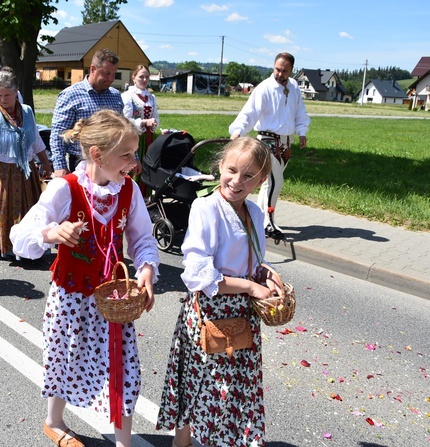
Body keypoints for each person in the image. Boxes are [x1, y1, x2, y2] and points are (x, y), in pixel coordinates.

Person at [10, 110, 160, 447]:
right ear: (97, 154)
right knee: (65, 358)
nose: (134, 163)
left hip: (113, 299)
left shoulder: (129, 191)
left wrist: (147, 268)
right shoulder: (66, 188)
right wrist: (52, 232)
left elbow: (142, 239)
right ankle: (54, 420)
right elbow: (20, 234)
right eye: (126, 155)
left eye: (134, 154)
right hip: (72, 295)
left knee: (123, 367)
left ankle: (124, 441)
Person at [156, 136, 276, 447]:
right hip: (212, 311)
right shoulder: (206, 209)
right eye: (232, 170)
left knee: (233, 389)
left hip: (243, 313)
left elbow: (252, 260)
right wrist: (250, 286)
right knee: (204, 386)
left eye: (249, 176)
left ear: (262, 179)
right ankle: (181, 442)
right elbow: (198, 274)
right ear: (220, 166)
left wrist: (266, 275)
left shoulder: (255, 213)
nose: (237, 181)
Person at [228, 52, 310, 240]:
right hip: (267, 141)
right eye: (277, 69)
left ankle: (258, 218)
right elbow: (249, 112)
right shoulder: (265, 88)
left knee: (267, 184)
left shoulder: (294, 87)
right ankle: (269, 222)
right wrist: (238, 130)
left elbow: (300, 112)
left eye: (284, 71)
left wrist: (302, 131)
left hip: (285, 142)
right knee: (276, 182)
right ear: (273, 66)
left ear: (291, 71)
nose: (280, 74)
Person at [0, 68, 52, 255]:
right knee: (5, 210)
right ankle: (8, 247)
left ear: (16, 93)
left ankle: (30, 247)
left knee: (29, 210)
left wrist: (46, 163)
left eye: (7, 95)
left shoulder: (27, 112)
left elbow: (36, 139)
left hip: (25, 169)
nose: (2, 99)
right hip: (1, 171)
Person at [50, 48, 124, 177]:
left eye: (114, 74)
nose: (111, 78)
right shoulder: (71, 95)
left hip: (110, 162)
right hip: (81, 164)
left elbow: (123, 130)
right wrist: (60, 166)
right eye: (106, 73)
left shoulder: (116, 95)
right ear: (93, 69)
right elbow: (58, 133)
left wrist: (132, 157)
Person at [121, 64, 159, 191]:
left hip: (149, 137)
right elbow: (125, 120)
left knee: (148, 165)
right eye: (141, 77)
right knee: (133, 165)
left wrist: (154, 123)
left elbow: (156, 116)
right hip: (134, 136)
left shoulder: (151, 97)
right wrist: (143, 122)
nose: (144, 80)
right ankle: (130, 193)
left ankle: (146, 195)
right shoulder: (128, 96)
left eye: (147, 77)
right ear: (134, 78)